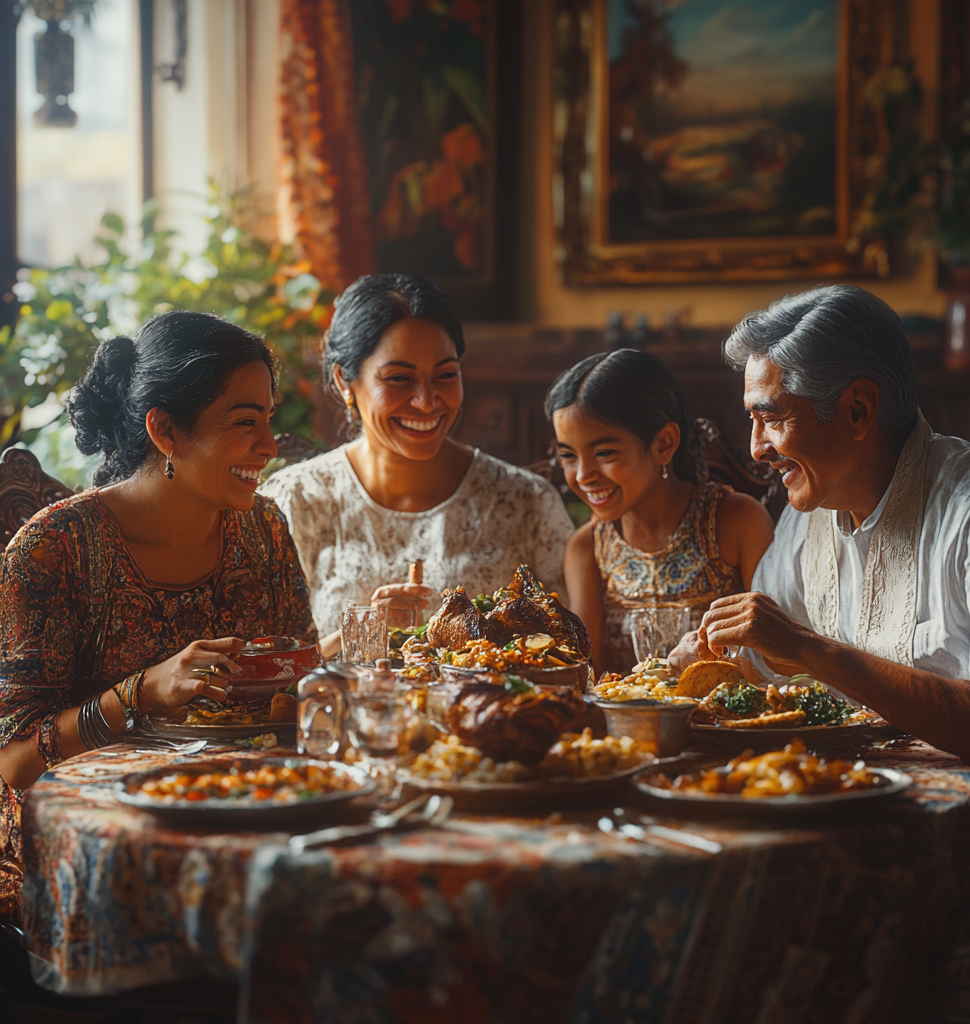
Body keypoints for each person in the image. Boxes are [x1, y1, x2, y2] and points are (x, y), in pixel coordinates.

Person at [0, 311, 317, 919]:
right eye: (246, 422)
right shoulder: (54, 550)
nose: (271, 447)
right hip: (88, 847)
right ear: (166, 430)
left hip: (242, 811)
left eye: (269, 420)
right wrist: (142, 693)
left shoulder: (265, 529)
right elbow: (15, 761)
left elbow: (300, 674)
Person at [668, 285, 970, 803]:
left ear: (858, 409)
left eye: (771, 417)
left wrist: (809, 648)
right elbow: (768, 671)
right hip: (833, 801)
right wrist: (710, 662)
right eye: (752, 419)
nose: (755, 449)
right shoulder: (806, 512)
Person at [261, 274, 573, 655]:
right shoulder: (293, 501)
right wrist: (361, 631)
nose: (426, 402)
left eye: (445, 375)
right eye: (399, 379)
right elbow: (264, 671)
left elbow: (571, 658)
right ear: (345, 382)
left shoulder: (527, 503)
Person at [547, 349, 774, 676]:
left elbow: (773, 657)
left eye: (605, 453)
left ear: (664, 444)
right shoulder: (586, 549)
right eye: (568, 456)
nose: (582, 475)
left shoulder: (737, 521)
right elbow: (586, 675)